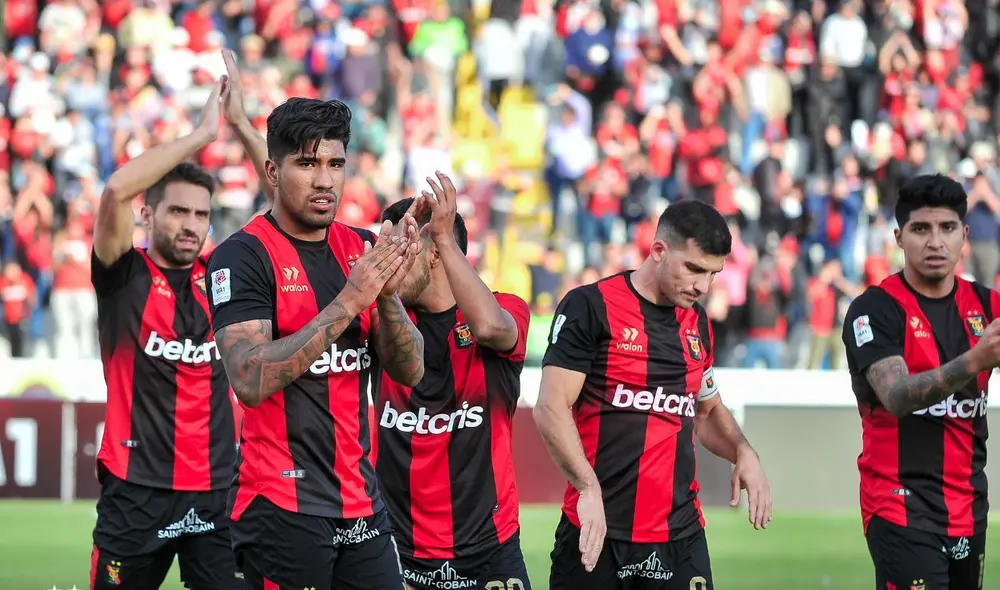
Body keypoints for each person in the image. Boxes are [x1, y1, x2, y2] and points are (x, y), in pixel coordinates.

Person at [207, 96, 425, 590]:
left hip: (361, 502)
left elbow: (410, 371)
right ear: (273, 170)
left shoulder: (362, 248)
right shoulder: (241, 257)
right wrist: (350, 301)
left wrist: (387, 296)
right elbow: (249, 379)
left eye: (335, 163)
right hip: (280, 505)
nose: (325, 179)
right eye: (307, 163)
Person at [533, 200, 772, 590]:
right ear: (658, 251)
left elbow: (707, 411)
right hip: (598, 532)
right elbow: (550, 407)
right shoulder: (591, 307)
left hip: (678, 538)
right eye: (694, 268)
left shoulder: (697, 323)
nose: (703, 286)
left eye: (713, 274)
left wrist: (743, 450)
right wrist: (587, 487)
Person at [88, 77, 243, 590]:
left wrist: (240, 124)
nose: (191, 224)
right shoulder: (122, 274)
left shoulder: (223, 277)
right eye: (178, 210)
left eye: (201, 214)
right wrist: (201, 136)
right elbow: (114, 190)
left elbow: (291, 208)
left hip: (218, 491)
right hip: (136, 491)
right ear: (148, 213)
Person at [842, 174, 1000, 590]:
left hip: (970, 507)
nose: (935, 242)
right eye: (921, 229)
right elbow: (895, 396)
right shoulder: (874, 309)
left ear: (964, 235)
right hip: (899, 508)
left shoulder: (987, 306)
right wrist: (976, 359)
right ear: (898, 236)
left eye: (947, 228)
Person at [376, 172, 533, 590]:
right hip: (396, 551)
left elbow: (488, 329)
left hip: (489, 550)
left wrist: (443, 239)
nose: (386, 260)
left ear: (432, 254)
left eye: (399, 248)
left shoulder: (505, 307)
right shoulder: (381, 321)